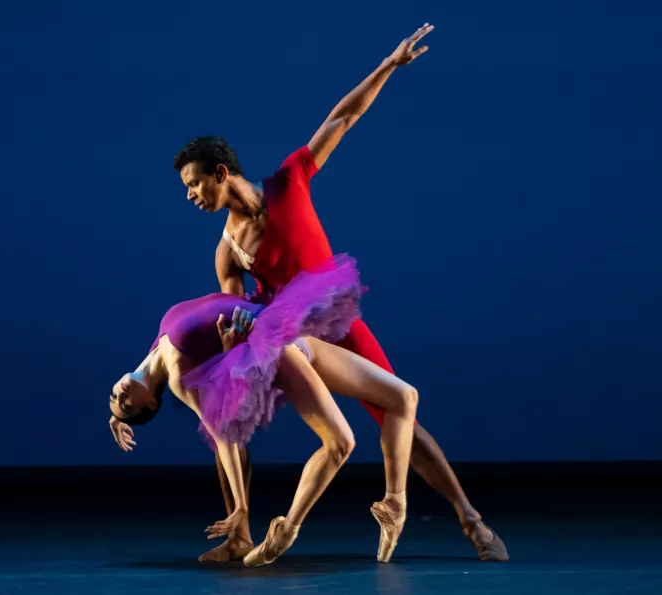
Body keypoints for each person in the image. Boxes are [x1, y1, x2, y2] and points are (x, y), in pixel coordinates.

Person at [170, 23, 508, 562]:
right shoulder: (227, 251)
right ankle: (258, 526)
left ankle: (469, 520)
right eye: (186, 189)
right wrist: (234, 335)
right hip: (302, 343)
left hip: (342, 324)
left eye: (194, 184)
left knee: (400, 412)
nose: (190, 195)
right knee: (332, 434)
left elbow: (342, 118)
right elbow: (240, 316)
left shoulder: (289, 181)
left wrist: (390, 64)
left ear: (221, 172)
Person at [108, 256, 418, 566]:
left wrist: (118, 416)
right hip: (276, 350)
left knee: (404, 397)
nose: (119, 394)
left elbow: (134, 389)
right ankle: (286, 529)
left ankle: (394, 504)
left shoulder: (158, 348)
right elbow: (223, 435)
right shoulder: (177, 377)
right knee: (341, 442)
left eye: (114, 395)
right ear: (151, 403)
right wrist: (241, 506)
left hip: (288, 333)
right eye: (126, 405)